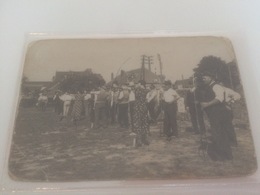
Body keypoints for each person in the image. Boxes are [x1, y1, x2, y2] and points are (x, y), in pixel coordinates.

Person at [200, 71, 233, 161]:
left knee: (220, 134)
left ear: (211, 77)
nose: (203, 79)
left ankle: (224, 156)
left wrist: (207, 104)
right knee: (217, 134)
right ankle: (222, 155)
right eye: (202, 77)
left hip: (219, 114)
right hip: (214, 114)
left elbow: (219, 98)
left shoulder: (216, 86)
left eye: (205, 77)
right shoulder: (208, 87)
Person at [132, 80, 150, 146]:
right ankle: (145, 140)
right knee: (144, 124)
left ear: (140, 84)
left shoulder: (137, 90)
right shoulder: (146, 91)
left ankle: (139, 141)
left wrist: (137, 86)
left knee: (138, 124)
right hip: (144, 108)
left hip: (138, 108)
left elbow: (135, 93)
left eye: (138, 83)